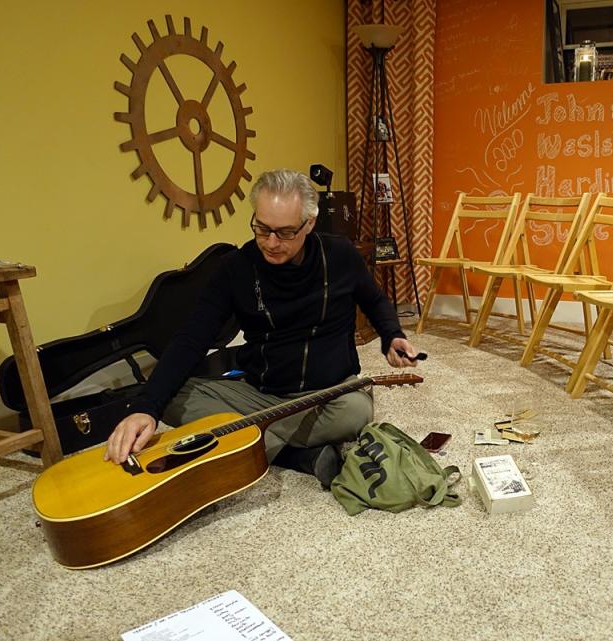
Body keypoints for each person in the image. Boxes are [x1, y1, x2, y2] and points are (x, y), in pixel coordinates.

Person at [104, 168, 420, 488]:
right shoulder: (235, 268)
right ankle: (295, 456)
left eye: (284, 232)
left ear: (309, 223)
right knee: (170, 396)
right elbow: (192, 337)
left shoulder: (341, 256)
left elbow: (375, 300)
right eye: (262, 228)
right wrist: (145, 408)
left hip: (327, 395)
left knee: (355, 413)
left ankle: (254, 443)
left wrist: (392, 335)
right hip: (259, 395)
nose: (270, 242)